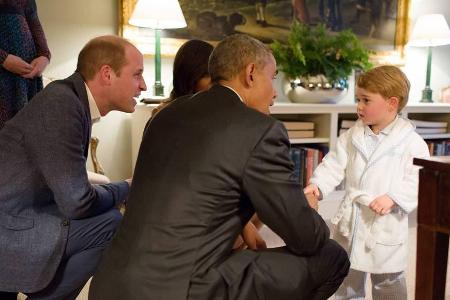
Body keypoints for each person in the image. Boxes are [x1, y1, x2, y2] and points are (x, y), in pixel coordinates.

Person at [89, 33, 349, 300]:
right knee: (331, 256)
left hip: (110, 282)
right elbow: (304, 237)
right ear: (250, 73)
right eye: (272, 79)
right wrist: (308, 209)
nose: (274, 94)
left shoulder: (165, 114)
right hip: (181, 289)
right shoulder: (260, 130)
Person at [0, 35, 146, 300]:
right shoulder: (62, 104)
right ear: (107, 74)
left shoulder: (70, 100)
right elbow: (76, 203)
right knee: (110, 224)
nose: (143, 86)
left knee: (108, 217)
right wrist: (126, 187)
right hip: (10, 225)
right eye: (137, 75)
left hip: (23, 213)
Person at [304, 65, 430, 299]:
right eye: (358, 99)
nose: (359, 106)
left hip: (384, 221)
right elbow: (333, 164)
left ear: (392, 103)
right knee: (346, 273)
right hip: (352, 219)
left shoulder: (411, 143)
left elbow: (419, 178)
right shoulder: (353, 135)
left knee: (388, 279)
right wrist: (317, 185)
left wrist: (393, 197)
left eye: (366, 100)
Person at [0, 0, 51, 130]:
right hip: (4, 80)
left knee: (28, 137)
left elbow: (36, 28)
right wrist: (3, 59)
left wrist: (44, 57)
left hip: (27, 81)